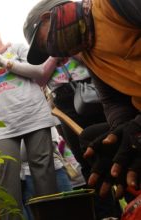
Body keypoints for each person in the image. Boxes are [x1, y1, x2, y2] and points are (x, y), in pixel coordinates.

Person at [23, 0, 141, 197]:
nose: (52, 52)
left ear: (48, 17)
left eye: (45, 44)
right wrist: (124, 133)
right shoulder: (89, 56)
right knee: (96, 140)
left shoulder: (109, 6)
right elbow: (113, 102)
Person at [0, 22, 58, 220]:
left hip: (33, 115)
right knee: (7, 174)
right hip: (3, 125)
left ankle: (50, 215)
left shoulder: (16, 48)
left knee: (43, 169)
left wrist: (7, 63)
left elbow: (40, 71)